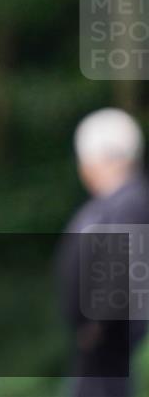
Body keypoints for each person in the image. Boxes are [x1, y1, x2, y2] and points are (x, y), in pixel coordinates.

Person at [56, 108, 149, 397]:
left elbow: (121, 267)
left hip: (106, 342)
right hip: (97, 341)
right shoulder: (113, 201)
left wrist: (97, 325)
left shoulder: (129, 202)